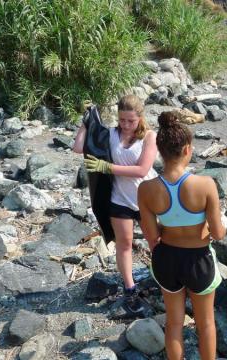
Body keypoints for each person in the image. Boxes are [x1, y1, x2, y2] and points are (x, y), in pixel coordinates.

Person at [138, 111, 226, 360]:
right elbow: (218, 233)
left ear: (159, 150)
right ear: (188, 149)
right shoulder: (205, 184)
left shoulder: (146, 189)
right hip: (199, 259)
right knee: (205, 323)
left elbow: (152, 235)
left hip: (166, 258)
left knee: (174, 323)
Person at [73, 95, 158, 315]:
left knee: (155, 242)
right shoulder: (110, 134)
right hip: (119, 199)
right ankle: (129, 288)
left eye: (131, 121)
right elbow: (78, 147)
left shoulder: (149, 137)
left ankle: (161, 278)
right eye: (122, 120)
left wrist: (107, 167)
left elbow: (141, 169)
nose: (126, 125)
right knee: (124, 244)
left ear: (140, 118)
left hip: (147, 199)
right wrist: (86, 123)